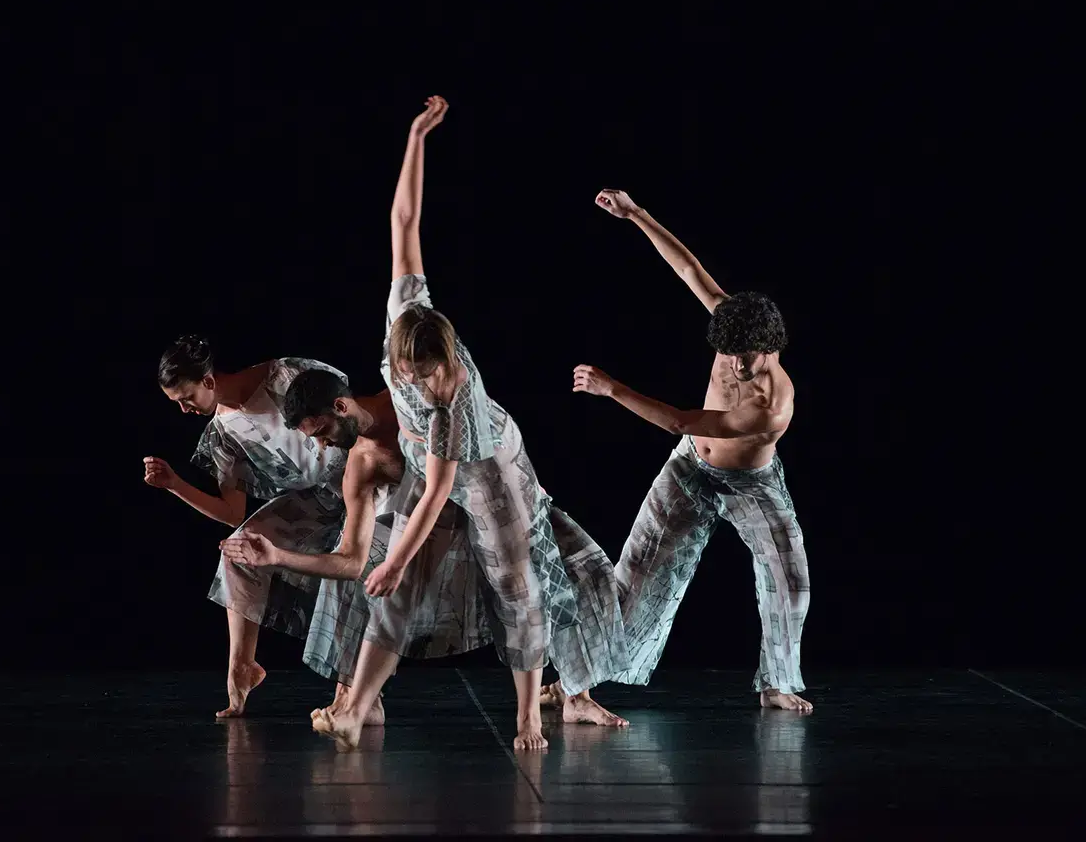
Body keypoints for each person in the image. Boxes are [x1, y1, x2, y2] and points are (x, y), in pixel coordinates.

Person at [312, 97, 628, 753]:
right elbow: (404, 218)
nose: (421, 385)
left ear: (446, 365)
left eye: (430, 376)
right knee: (383, 579)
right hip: (430, 460)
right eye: (413, 376)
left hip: (493, 466)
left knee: (519, 581)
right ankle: (353, 707)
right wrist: (415, 137)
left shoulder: (452, 402)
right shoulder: (408, 308)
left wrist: (399, 558)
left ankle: (538, 716)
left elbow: (436, 491)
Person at [564, 188, 812, 713]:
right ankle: (573, 684)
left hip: (753, 485)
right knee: (635, 574)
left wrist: (612, 390)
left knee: (789, 578)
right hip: (689, 470)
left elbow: (680, 418)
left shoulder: (773, 407)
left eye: (748, 358)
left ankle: (777, 684)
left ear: (772, 347)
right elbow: (687, 269)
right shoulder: (732, 326)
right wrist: (636, 215)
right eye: (730, 354)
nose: (737, 366)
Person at [220, 365, 493, 723]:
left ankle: (573, 692)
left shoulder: (409, 402)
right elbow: (350, 561)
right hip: (427, 524)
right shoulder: (360, 464)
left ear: (341, 407)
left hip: (485, 501)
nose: (322, 445)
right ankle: (355, 694)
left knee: (573, 564)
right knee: (356, 573)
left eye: (322, 432)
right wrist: (277, 556)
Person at [145, 343, 385, 720]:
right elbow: (231, 513)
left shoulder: (285, 375)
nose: (184, 409)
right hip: (320, 498)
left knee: (348, 575)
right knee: (239, 549)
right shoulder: (222, 434)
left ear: (208, 380)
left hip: (370, 475)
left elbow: (348, 408)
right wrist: (175, 484)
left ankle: (360, 692)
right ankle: (241, 669)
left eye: (187, 397)